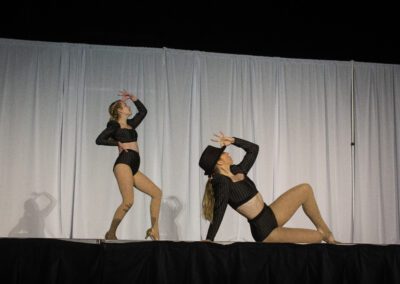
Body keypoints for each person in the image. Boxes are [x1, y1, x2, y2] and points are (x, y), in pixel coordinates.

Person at [199, 132, 337, 243]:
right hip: (265, 231)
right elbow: (220, 208)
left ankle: (328, 234)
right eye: (224, 153)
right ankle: (324, 235)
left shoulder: (236, 170)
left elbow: (253, 149)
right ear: (219, 161)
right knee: (318, 237)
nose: (228, 153)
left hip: (271, 214)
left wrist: (234, 140)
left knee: (305, 189)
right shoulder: (221, 181)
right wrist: (209, 239)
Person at [96, 90, 162, 240]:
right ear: (119, 110)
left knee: (157, 193)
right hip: (123, 163)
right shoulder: (114, 125)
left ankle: (154, 229)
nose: (128, 107)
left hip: (134, 165)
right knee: (128, 202)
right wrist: (116, 143)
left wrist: (134, 99)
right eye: (125, 105)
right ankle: (111, 232)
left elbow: (143, 111)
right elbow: (99, 140)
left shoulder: (131, 125)